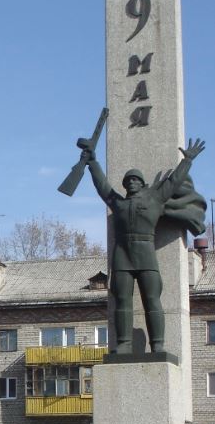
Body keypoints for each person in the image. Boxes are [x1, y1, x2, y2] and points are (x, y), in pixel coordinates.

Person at [81, 138, 206, 352]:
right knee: (122, 300)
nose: (131, 182)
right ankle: (124, 344)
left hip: (147, 255)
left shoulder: (155, 199)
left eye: (135, 179)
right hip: (122, 256)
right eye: (128, 180)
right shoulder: (118, 203)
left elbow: (173, 182)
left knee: (152, 300)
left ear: (142, 183)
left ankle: (157, 345)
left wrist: (187, 160)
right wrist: (92, 163)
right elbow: (102, 186)